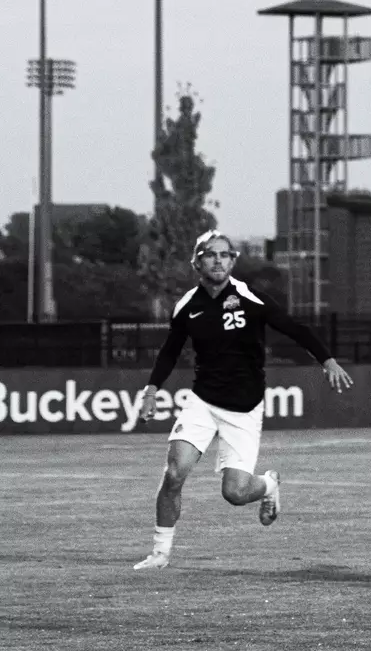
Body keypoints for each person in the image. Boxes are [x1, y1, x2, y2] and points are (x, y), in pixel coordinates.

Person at [133, 229, 353, 570]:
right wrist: (151, 391)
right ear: (198, 262)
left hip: (244, 407)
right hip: (202, 401)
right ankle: (160, 554)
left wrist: (328, 361)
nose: (218, 260)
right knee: (174, 474)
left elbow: (295, 328)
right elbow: (169, 352)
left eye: (225, 254)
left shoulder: (249, 298)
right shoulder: (187, 305)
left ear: (233, 261)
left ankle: (268, 484)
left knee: (235, 494)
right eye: (211, 254)